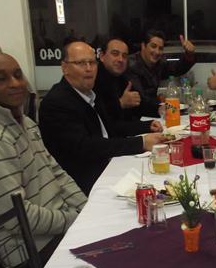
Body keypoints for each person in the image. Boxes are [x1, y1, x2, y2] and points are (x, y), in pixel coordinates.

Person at [0, 53, 87, 267]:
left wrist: (86, 209)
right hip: (31, 248)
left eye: (18, 75)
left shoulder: (24, 122)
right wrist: (75, 220)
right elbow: (18, 219)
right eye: (2, 78)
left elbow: (56, 173)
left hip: (59, 226)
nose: (15, 83)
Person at [39, 41, 166, 195]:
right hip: (86, 182)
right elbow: (86, 147)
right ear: (65, 68)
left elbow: (111, 127)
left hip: (109, 165)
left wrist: (147, 126)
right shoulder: (57, 102)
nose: (88, 68)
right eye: (81, 63)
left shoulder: (90, 93)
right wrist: (141, 143)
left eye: (92, 63)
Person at [94, 37, 158, 120]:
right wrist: (121, 103)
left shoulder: (122, 77)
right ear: (102, 56)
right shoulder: (94, 79)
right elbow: (98, 118)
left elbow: (139, 105)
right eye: (115, 54)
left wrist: (160, 109)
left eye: (124, 56)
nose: (120, 59)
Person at [127, 29, 196, 105]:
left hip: (149, 109)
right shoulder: (131, 65)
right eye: (153, 46)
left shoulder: (158, 63)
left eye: (160, 48)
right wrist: (159, 100)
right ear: (143, 46)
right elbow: (141, 98)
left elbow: (177, 69)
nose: (157, 52)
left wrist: (189, 54)